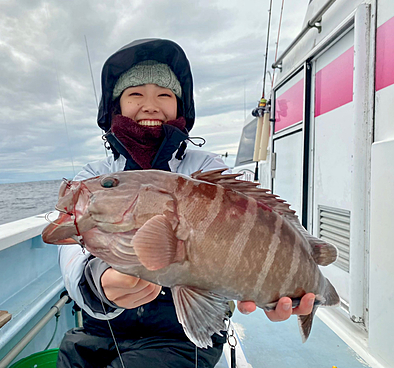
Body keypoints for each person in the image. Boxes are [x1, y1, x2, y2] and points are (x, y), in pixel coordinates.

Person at [56, 38, 315, 368]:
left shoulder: (208, 169)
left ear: (181, 107)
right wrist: (97, 280)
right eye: (135, 94)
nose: (151, 105)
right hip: (101, 327)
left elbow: (257, 225)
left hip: (180, 336)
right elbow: (69, 244)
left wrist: (268, 275)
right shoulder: (96, 176)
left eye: (165, 95)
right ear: (115, 107)